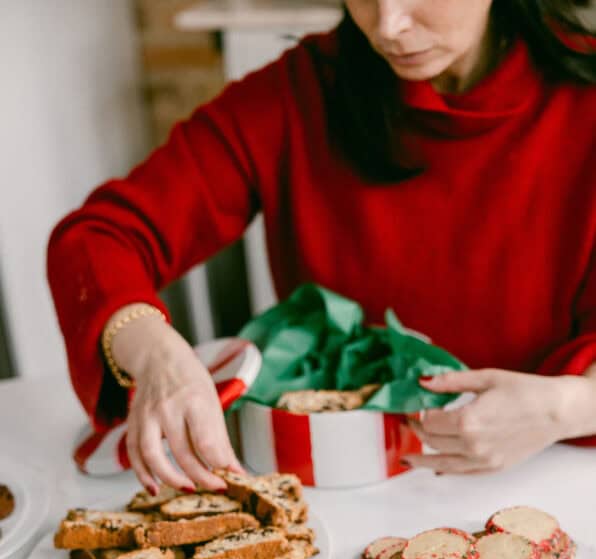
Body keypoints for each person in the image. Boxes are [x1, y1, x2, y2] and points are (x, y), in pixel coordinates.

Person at [47, 0, 595, 493]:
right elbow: (96, 237)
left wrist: (568, 408)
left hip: (551, 479)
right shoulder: (300, 91)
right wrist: (154, 352)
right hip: (342, 488)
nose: (389, 25)